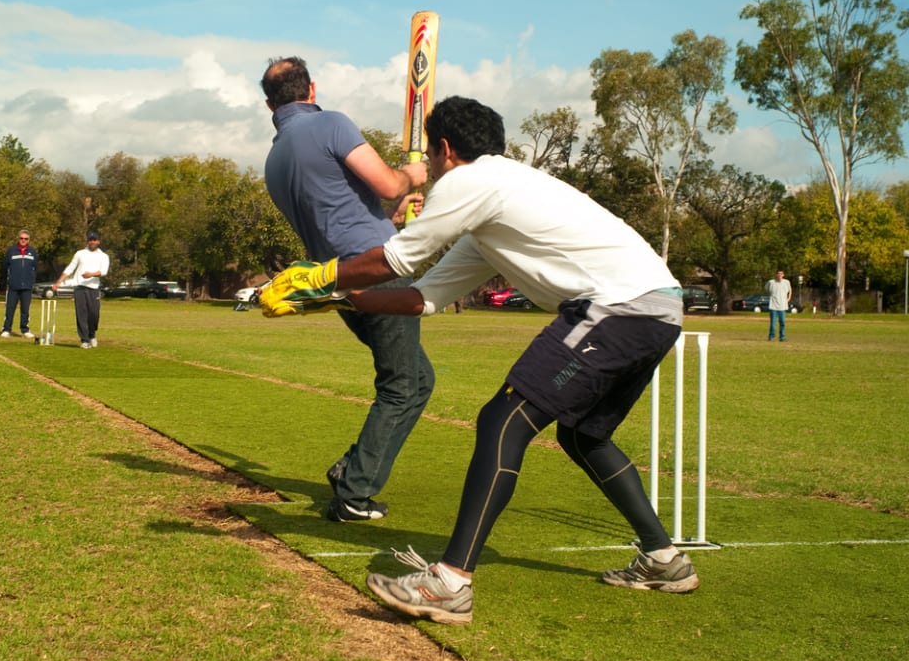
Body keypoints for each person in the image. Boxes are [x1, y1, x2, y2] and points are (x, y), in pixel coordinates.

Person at [260, 96, 700, 624]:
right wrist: (330, 299)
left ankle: (450, 582)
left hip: (617, 307)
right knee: (584, 436)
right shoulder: (497, 200)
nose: (429, 167)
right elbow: (424, 296)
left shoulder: (472, 183)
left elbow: (398, 259)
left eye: (430, 153)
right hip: (656, 308)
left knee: (503, 419)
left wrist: (322, 274)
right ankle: (663, 559)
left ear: (445, 149)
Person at [260, 55, 434, 523]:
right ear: (312, 90)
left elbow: (333, 214)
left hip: (338, 281)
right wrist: (410, 177)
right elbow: (385, 180)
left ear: (269, 104)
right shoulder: (332, 124)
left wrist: (389, 218)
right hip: (380, 269)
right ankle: (355, 492)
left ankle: (352, 471)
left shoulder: (274, 159)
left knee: (418, 380)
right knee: (401, 386)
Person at [52, 232, 111, 348]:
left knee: (94, 315)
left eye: (95, 240)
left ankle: (92, 334)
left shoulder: (104, 256)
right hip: (79, 287)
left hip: (93, 288)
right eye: (90, 240)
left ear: (99, 241)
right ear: (87, 241)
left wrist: (91, 275)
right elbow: (70, 268)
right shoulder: (80, 253)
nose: (92, 242)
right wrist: (59, 282)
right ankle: (85, 340)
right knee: (81, 314)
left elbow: (104, 271)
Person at [0, 229, 37, 338]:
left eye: (26, 239)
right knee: (10, 308)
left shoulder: (32, 252)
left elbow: (35, 268)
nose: (23, 240)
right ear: (18, 238)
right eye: (21, 238)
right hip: (13, 285)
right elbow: (4, 268)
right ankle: (6, 329)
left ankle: (25, 329)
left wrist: (32, 281)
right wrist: (3, 283)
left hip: (27, 286)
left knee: (25, 309)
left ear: (28, 240)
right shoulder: (11, 251)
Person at [765, 269, 792, 341]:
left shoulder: (786, 282)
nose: (780, 275)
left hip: (782, 306)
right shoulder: (771, 282)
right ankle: (771, 337)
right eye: (778, 274)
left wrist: (789, 298)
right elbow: (766, 289)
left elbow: (790, 291)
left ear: (783, 275)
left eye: (781, 274)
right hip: (773, 306)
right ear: (776, 274)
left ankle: (782, 337)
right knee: (773, 323)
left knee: (782, 322)